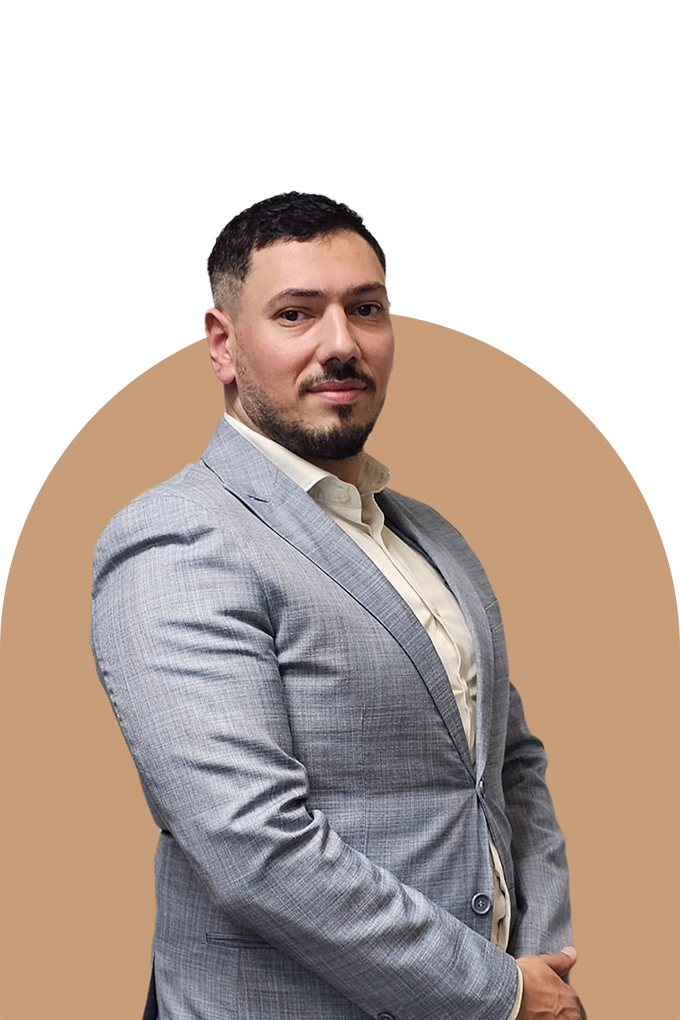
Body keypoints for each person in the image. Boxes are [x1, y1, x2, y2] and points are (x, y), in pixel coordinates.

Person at [91, 191, 586, 1020]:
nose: (342, 344)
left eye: (366, 308)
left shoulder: (430, 534)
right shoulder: (179, 537)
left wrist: (545, 963)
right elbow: (253, 846)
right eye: (296, 313)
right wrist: (499, 993)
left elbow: (510, 767)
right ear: (223, 344)